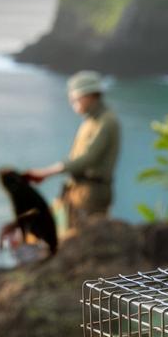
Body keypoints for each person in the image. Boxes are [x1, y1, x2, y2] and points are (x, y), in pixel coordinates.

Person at [25, 70, 121, 229]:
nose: (72, 101)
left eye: (76, 98)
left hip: (92, 194)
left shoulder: (107, 121)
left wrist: (47, 172)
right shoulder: (90, 121)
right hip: (78, 191)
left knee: (86, 241)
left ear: (90, 95)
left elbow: (89, 158)